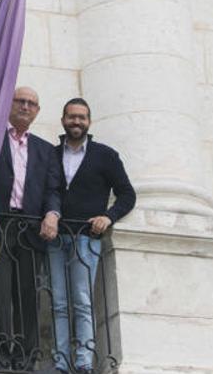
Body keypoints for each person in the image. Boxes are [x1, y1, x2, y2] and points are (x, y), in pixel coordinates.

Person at [49, 98, 136, 374]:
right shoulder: (51, 154)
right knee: (59, 302)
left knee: (83, 301)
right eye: (72, 117)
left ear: (89, 121)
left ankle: (84, 362)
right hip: (54, 238)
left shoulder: (105, 155)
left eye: (82, 117)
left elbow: (127, 194)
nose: (76, 122)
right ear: (63, 120)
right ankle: (61, 362)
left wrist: (108, 217)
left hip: (87, 238)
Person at [0, 86, 63, 370]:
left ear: (38, 111)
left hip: (31, 229)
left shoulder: (45, 149)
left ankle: (27, 356)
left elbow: (53, 189)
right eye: (21, 101)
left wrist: (52, 214)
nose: (26, 107)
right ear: (9, 104)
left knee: (29, 294)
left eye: (32, 103)